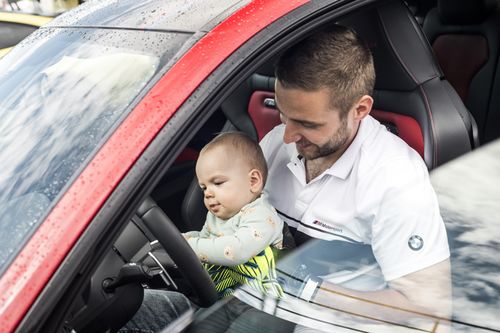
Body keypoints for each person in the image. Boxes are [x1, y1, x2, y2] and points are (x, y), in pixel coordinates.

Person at [121, 23, 451, 333]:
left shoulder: (396, 180)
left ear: (360, 110)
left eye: (307, 124)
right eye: (282, 114)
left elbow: (427, 311)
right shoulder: (278, 142)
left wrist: (309, 290)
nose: (288, 135)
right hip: (246, 295)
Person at [183, 131, 285, 298]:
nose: (208, 193)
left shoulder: (262, 216)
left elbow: (236, 251)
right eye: (204, 187)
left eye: (217, 183)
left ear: (253, 181)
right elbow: (204, 240)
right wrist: (182, 240)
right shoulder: (216, 216)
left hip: (262, 303)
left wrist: (189, 245)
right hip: (225, 296)